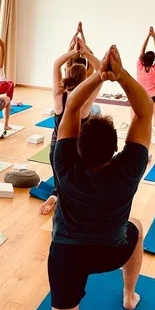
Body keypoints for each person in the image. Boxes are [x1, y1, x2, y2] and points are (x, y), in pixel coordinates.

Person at [36, 45, 151, 310]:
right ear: (116, 149)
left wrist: (98, 75)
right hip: (109, 252)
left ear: (78, 146)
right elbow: (145, 111)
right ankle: (129, 294)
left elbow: (71, 109)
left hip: (65, 255)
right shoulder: (128, 168)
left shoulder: (64, 163)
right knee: (136, 226)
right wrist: (119, 74)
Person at [38, 38, 101, 216]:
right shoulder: (86, 101)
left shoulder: (59, 96)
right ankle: (62, 199)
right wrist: (86, 52)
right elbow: (100, 69)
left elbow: (56, 64)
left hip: (57, 148)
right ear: (85, 80)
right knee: (76, 182)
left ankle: (55, 195)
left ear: (68, 75)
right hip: (78, 150)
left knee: (59, 178)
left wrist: (73, 51)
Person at [136, 27, 155, 126]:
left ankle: (138, 121)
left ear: (143, 58)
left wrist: (148, 36)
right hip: (151, 96)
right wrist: (154, 36)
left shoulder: (139, 66)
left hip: (139, 94)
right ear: (153, 60)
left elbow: (142, 50)